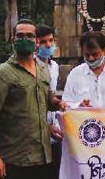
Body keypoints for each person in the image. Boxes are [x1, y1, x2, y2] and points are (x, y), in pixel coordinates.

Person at [0, 19, 67, 179]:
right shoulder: (1, 74)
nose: (25, 40)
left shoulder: (42, 70)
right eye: (20, 36)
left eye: (29, 36)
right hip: (15, 159)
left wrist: (62, 103)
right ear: (13, 40)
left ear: (36, 41)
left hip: (43, 156)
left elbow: (47, 101)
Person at [35, 24, 62, 179]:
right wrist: (45, 127)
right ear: (36, 43)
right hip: (35, 132)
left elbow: (50, 96)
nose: (48, 45)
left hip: (54, 131)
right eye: (44, 42)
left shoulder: (54, 66)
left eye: (51, 40)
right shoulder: (30, 66)